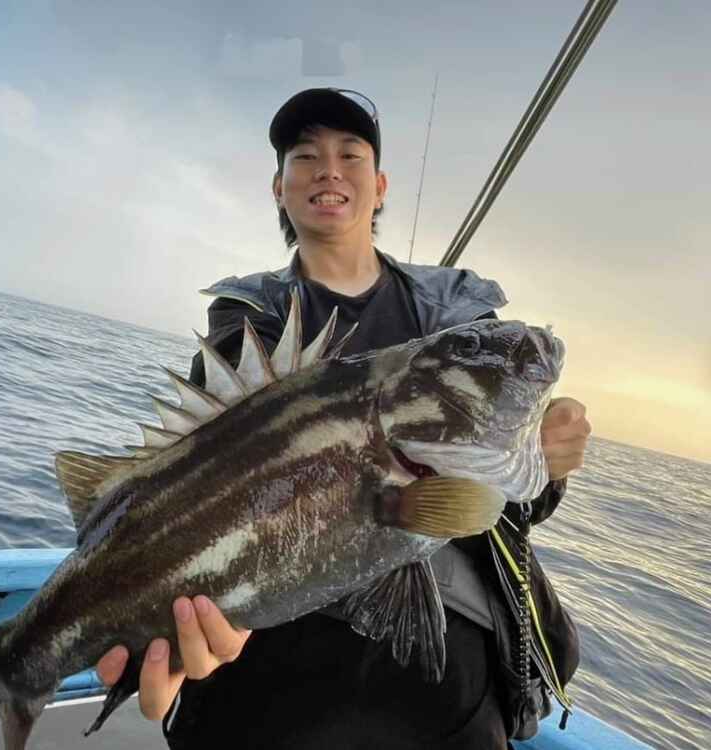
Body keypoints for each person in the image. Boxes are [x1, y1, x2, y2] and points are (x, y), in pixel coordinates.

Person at [97, 88, 591, 749]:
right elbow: (198, 492)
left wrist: (547, 462)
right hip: (274, 638)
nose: (328, 169)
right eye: (305, 156)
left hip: (451, 653)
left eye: (350, 154)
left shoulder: (459, 317)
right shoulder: (247, 323)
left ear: (379, 185)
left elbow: (519, 502)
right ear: (280, 189)